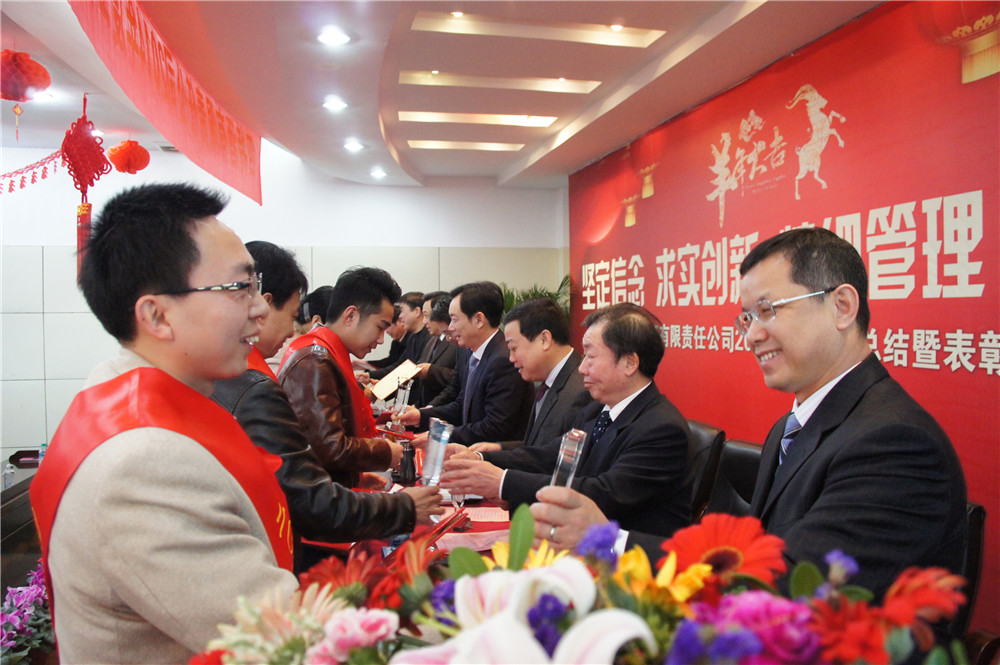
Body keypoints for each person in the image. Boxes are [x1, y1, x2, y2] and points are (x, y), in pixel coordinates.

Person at [532, 228, 967, 601]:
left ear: (842, 307)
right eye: (747, 318)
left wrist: (611, 543)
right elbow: (757, 557)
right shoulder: (789, 428)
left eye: (768, 310)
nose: (753, 335)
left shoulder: (894, 443)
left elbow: (792, 587)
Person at [30, 183, 298, 663]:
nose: (260, 307)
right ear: (156, 315)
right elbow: (287, 638)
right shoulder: (143, 463)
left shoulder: (119, 392)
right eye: (239, 288)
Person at [211, 243, 442, 572]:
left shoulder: (315, 356)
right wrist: (398, 497)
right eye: (293, 316)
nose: (291, 331)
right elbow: (321, 461)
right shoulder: (307, 362)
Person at [469, 303, 694, 536]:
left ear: (629, 363)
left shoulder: (662, 430)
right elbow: (553, 455)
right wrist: (481, 459)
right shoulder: (597, 410)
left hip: (624, 554)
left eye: (591, 356)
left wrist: (504, 482)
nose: (582, 368)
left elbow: (602, 494)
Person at [439, 298, 593, 500]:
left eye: (513, 348)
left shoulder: (581, 390)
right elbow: (542, 447)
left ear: (544, 340)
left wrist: (503, 483)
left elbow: (556, 461)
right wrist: (494, 450)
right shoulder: (551, 382)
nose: (511, 358)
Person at [278, 267, 406, 488]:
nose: (381, 340)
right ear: (350, 315)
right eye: (379, 327)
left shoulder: (325, 352)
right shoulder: (315, 360)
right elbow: (329, 448)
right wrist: (386, 452)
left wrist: (357, 478)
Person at [396, 281, 534, 446]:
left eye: (454, 320)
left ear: (478, 320)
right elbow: (461, 404)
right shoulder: (467, 352)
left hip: (493, 455)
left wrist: (440, 435)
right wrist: (421, 415)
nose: (451, 327)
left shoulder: (503, 360)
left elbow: (495, 427)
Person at [365, 291, 430, 383]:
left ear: (417, 311)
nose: (400, 316)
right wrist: (370, 375)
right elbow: (400, 366)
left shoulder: (430, 338)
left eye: (402, 310)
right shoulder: (413, 338)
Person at [413, 292, 460, 407]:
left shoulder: (458, 342)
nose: (424, 321)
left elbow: (459, 380)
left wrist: (431, 371)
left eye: (427, 315)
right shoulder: (432, 341)